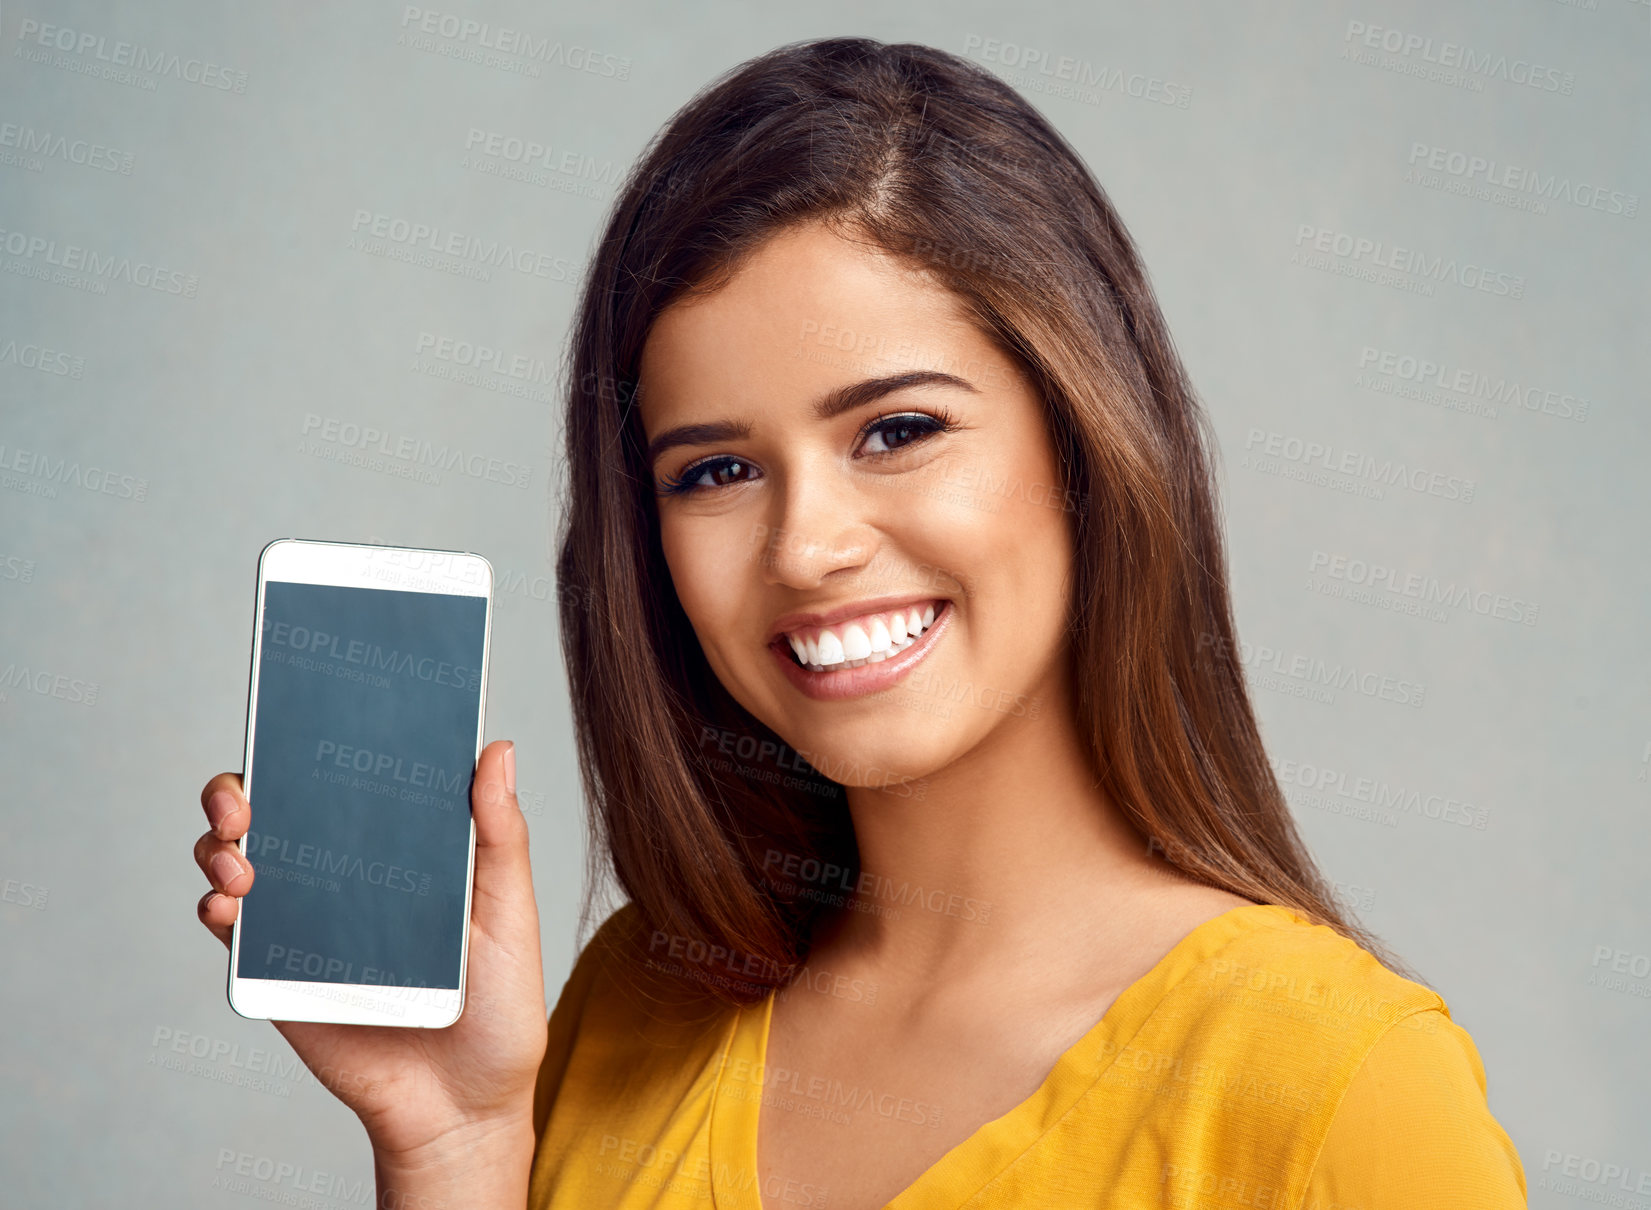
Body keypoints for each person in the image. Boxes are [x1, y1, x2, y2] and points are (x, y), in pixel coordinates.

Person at [195, 36, 1528, 1210]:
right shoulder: (631, 1004)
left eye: (898, 430)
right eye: (714, 469)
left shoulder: (1341, 1091)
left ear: (1083, 444)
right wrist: (456, 1146)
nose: (807, 547)